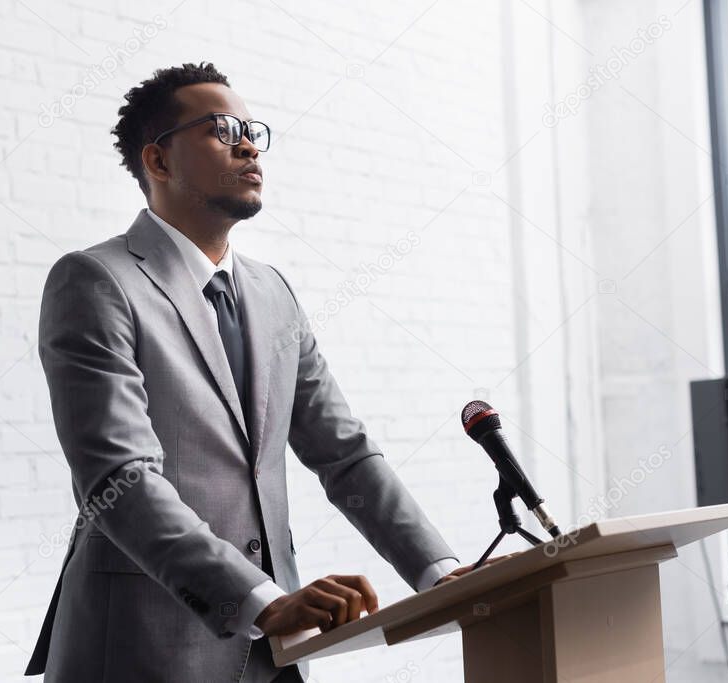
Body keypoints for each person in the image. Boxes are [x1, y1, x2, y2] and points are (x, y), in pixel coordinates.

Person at [24, 61, 470, 683]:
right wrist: (260, 599)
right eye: (220, 128)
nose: (245, 144)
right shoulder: (97, 282)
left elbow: (344, 453)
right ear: (158, 161)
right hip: (141, 644)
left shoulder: (272, 293)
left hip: (274, 654)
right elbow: (118, 478)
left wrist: (438, 572)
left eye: (251, 130)